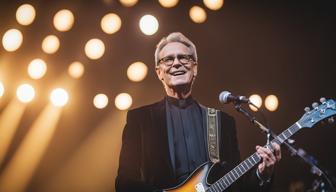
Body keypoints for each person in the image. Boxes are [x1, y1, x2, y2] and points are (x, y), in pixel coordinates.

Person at [115, 32, 281, 192]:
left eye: (184, 57)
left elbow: (236, 186)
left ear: (195, 68)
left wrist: (262, 173)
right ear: (159, 72)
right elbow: (124, 183)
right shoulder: (140, 119)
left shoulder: (222, 121)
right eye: (168, 59)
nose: (177, 63)